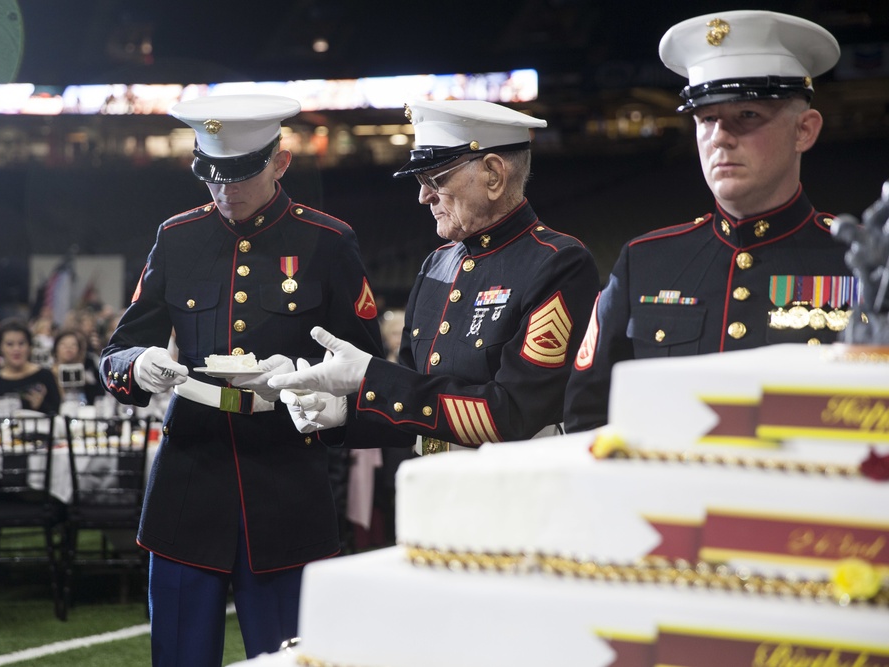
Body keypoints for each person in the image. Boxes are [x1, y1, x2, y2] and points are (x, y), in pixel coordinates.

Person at [100, 94, 399, 665]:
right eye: (212, 177)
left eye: (240, 176)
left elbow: (365, 371)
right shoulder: (178, 236)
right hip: (188, 489)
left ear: (280, 162)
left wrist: (307, 385)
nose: (224, 192)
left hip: (287, 491)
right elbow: (117, 350)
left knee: (290, 658)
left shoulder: (328, 242)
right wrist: (137, 365)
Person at [562, 10, 854, 433]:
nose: (719, 136)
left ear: (804, 131)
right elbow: (587, 417)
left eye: (747, 116)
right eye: (705, 118)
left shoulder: (863, 264)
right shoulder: (643, 263)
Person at [269, 100, 601, 453]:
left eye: (436, 179)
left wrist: (373, 377)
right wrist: (345, 412)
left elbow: (515, 413)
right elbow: (417, 410)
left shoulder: (558, 263)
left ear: (493, 174)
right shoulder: (437, 264)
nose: (423, 196)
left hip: (515, 492)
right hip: (433, 484)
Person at [0, 319, 61, 416]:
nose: (16, 349)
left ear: (29, 346)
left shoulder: (45, 375)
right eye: (10, 344)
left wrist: (41, 405)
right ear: (0, 348)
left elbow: (57, 413)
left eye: (21, 343)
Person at [50, 329, 102, 406]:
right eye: (63, 344)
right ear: (56, 348)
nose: (68, 348)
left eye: (73, 345)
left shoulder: (88, 371)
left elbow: (98, 397)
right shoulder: (48, 374)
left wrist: (87, 383)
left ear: (79, 349)